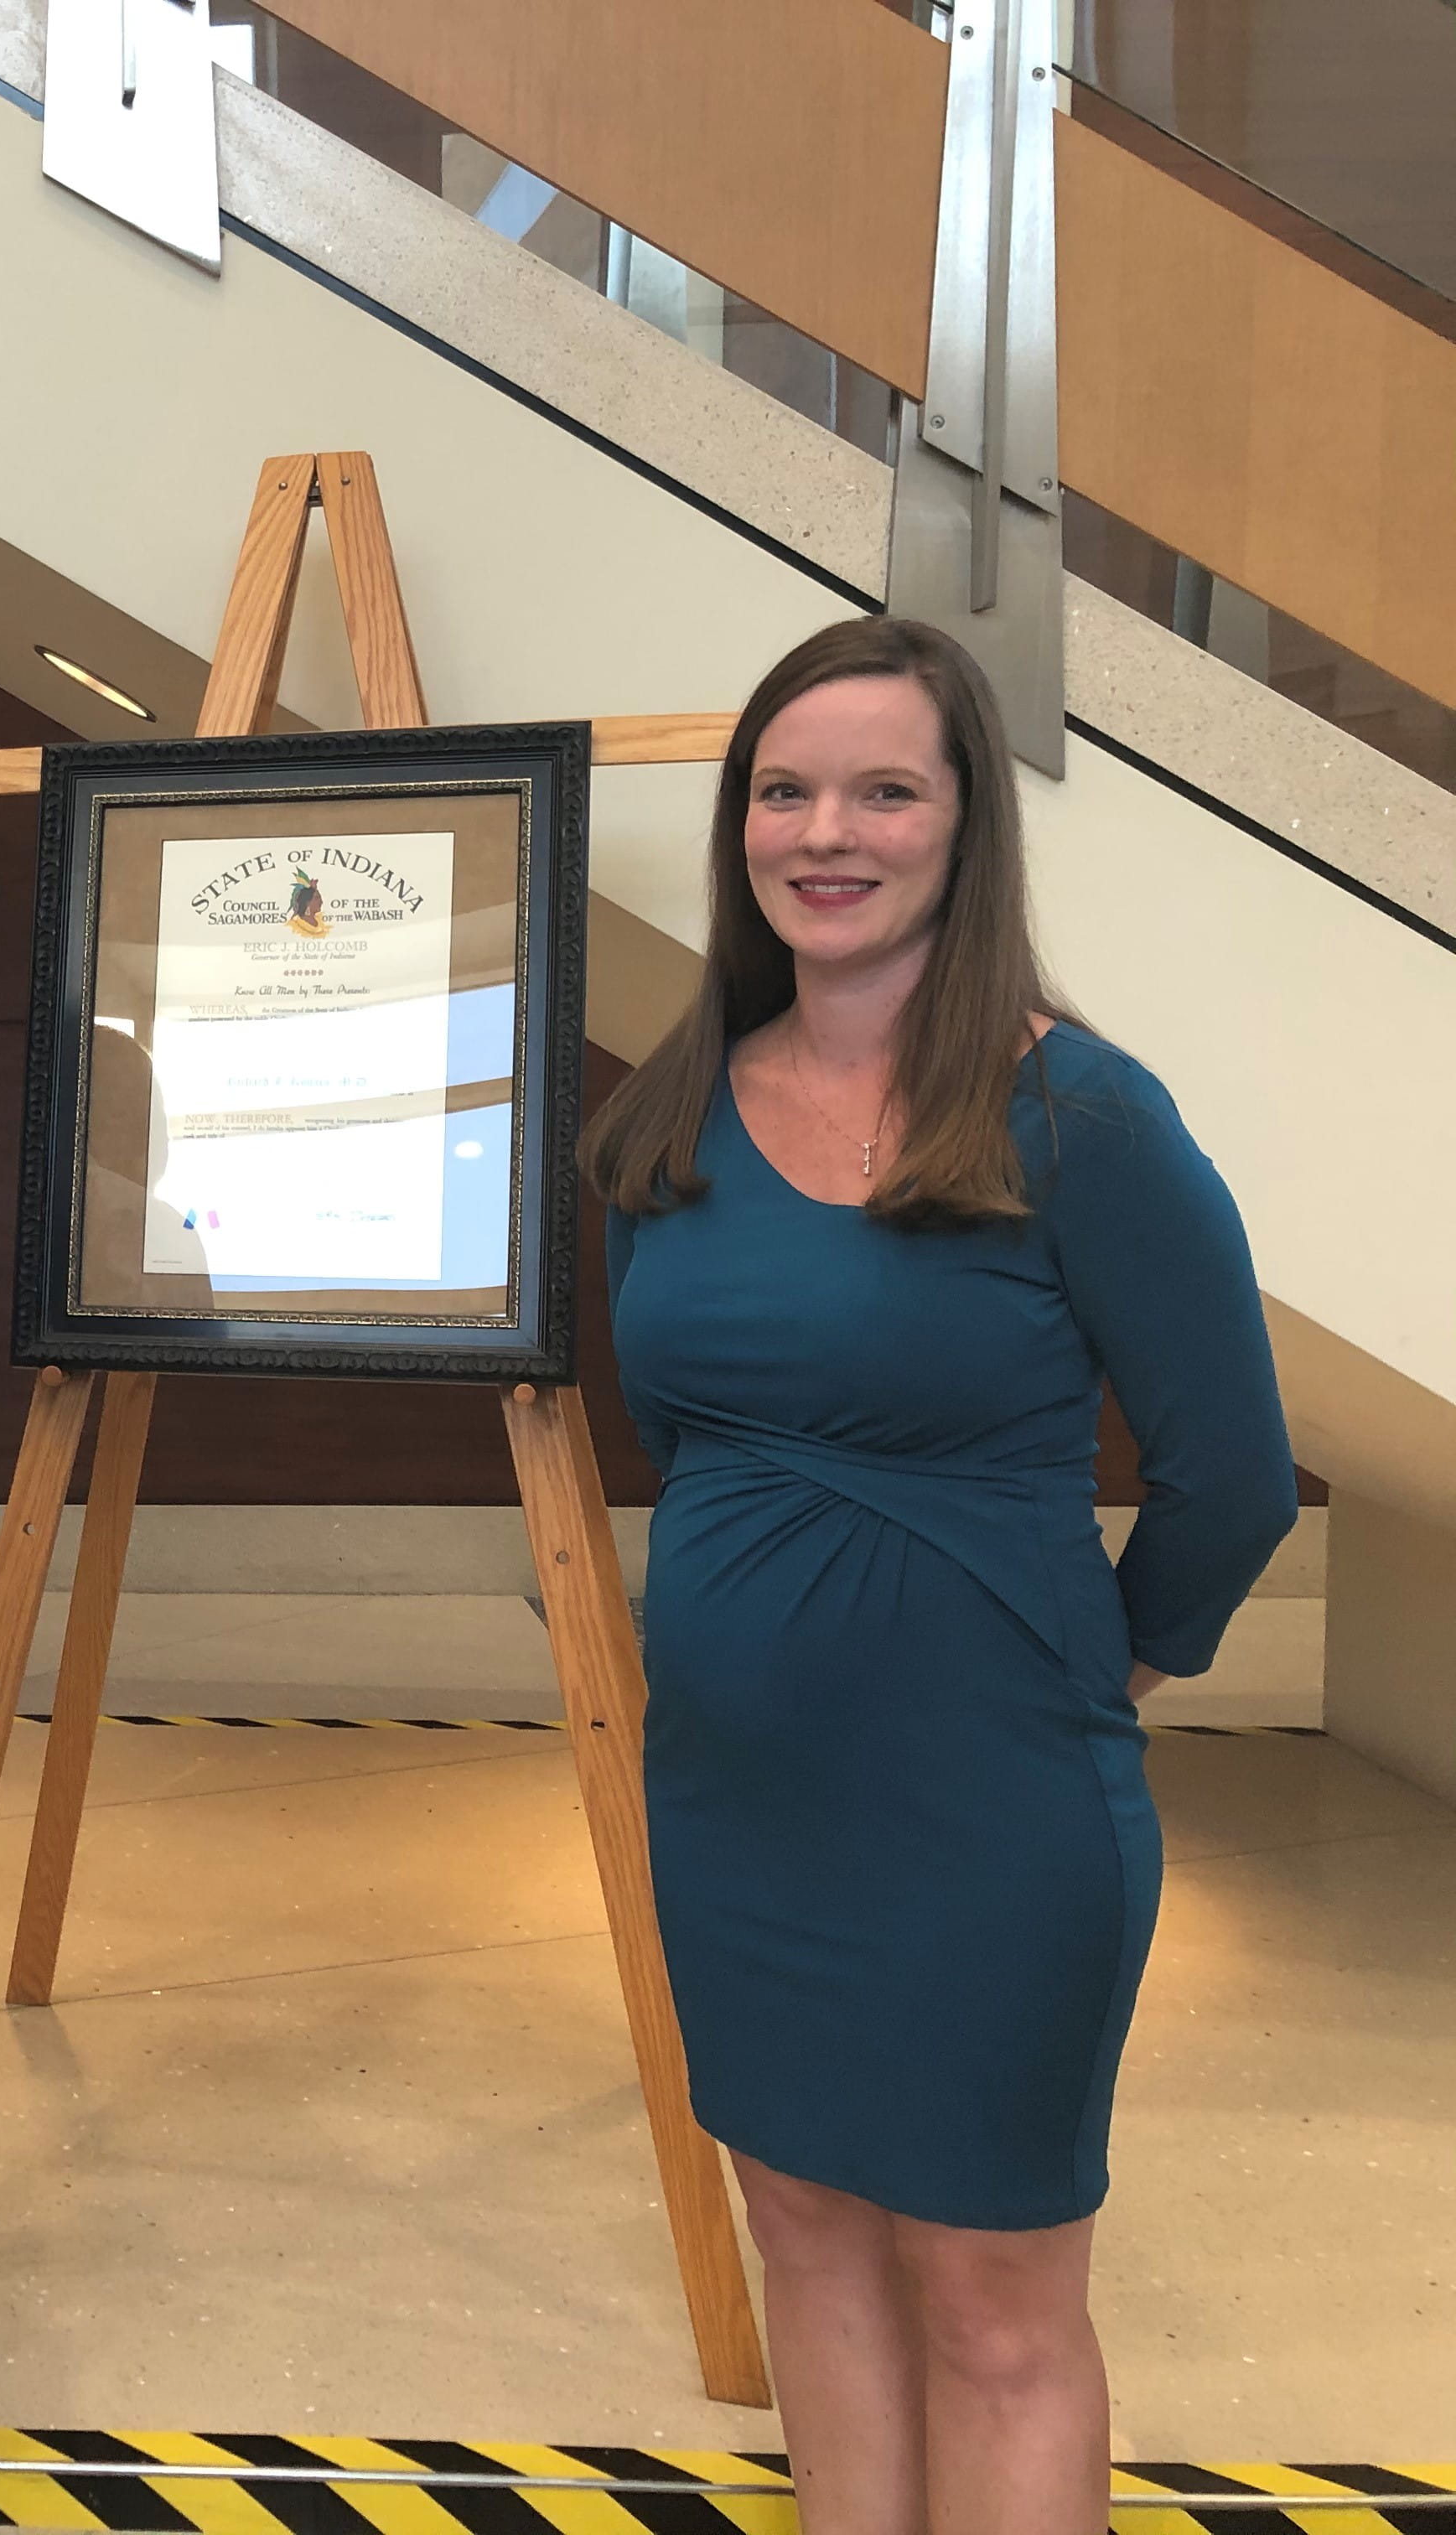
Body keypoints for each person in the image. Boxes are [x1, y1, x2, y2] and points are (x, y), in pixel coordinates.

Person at [587, 616, 1296, 2530]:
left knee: (993, 2297)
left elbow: (1232, 1476)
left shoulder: (1077, 1116)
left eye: (885, 791)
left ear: (967, 823)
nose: (828, 833)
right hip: (736, 1809)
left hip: (994, 1811)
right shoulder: (671, 1112)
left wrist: (1086, 1679)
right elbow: (694, 1440)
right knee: (803, 2232)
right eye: (786, 792)